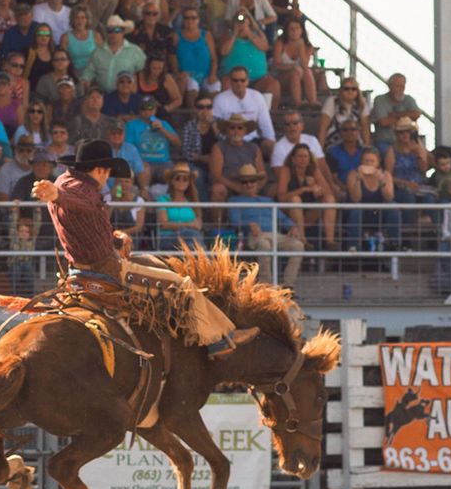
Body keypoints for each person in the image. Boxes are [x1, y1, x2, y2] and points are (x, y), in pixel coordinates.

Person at [32, 139, 258, 358]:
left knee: (158, 263)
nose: (109, 177)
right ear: (100, 170)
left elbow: (76, 206)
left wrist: (113, 238)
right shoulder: (83, 190)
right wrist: (58, 196)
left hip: (79, 269)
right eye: (108, 171)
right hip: (107, 271)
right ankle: (219, 340)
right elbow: (81, 200)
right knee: (182, 286)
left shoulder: (63, 179)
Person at [228, 163, 303, 286]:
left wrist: (292, 227)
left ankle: (288, 285)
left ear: (257, 183)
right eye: (244, 182)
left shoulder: (267, 201)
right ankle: (266, 285)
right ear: (240, 184)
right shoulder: (235, 201)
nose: (249, 184)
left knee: (298, 245)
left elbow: (282, 218)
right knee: (264, 244)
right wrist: (248, 224)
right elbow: (234, 221)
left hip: (275, 235)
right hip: (254, 236)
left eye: (252, 181)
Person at [277, 142, 336, 249]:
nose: (303, 159)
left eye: (305, 156)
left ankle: (330, 242)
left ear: (309, 159)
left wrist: (316, 187)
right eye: (300, 156)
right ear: (293, 159)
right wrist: (304, 189)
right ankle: (303, 240)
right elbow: (281, 197)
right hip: (290, 212)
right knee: (295, 199)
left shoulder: (314, 170)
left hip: (309, 213)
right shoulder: (286, 170)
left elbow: (329, 193)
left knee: (330, 199)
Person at [384, 116, 434, 243]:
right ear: (397, 134)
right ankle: (407, 236)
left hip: (420, 186)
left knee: (430, 200)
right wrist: (405, 183)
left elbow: (424, 169)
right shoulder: (392, 150)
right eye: (401, 132)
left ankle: (431, 237)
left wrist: (419, 153)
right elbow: (388, 175)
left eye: (408, 131)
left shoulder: (419, 147)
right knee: (408, 199)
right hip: (401, 187)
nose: (405, 134)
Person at [343, 147, 400, 253]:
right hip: (360, 214)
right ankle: (353, 246)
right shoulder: (353, 174)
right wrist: (359, 180)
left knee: (393, 207)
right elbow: (355, 199)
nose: (369, 163)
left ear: (378, 163)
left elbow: (389, 197)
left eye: (372, 161)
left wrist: (382, 181)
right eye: (366, 161)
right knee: (356, 209)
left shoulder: (385, 174)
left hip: (378, 214)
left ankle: (394, 243)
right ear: (361, 162)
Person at [211, 66, 275, 156]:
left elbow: (266, 125)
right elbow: (216, 127)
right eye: (235, 80)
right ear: (230, 81)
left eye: (242, 80)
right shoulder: (220, 99)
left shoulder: (257, 96)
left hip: (252, 140)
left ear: (247, 81)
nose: (239, 83)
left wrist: (271, 141)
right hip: (229, 140)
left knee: (271, 146)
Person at [81, 14, 145, 93]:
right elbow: (90, 71)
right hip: (103, 96)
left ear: (123, 32)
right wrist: (85, 80)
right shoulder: (97, 52)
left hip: (125, 96)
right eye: (110, 30)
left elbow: (144, 71)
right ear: (107, 33)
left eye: (117, 30)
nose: (113, 33)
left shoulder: (135, 51)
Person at [155, 161, 203, 250]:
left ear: (189, 183)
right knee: (192, 235)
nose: (181, 182)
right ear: (172, 181)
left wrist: (188, 226)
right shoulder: (163, 200)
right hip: (168, 237)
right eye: (178, 179)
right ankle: (205, 260)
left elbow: (198, 225)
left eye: (185, 179)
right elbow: (163, 224)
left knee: (190, 243)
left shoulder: (192, 202)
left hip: (190, 238)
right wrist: (188, 225)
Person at [370, 73, 422, 154]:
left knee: (423, 154)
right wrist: (406, 118)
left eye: (403, 86)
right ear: (389, 86)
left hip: (408, 141)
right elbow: (384, 122)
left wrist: (396, 115)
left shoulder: (409, 99)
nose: (400, 89)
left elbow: (416, 114)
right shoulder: (380, 100)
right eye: (397, 86)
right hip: (386, 142)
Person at [318, 76, 371, 149]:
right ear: (341, 90)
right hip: (333, 144)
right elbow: (323, 128)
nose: (350, 91)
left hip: (356, 145)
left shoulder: (362, 104)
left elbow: (365, 129)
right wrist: (320, 150)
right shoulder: (332, 102)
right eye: (346, 89)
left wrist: (367, 147)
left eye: (353, 89)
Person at [272, 18, 315, 107]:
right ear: (286, 31)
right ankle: (297, 103)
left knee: (307, 71)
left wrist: (301, 48)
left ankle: (312, 102)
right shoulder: (280, 43)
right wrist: (292, 67)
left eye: (297, 28)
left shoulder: (308, 46)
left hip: (301, 76)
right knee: (295, 73)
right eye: (291, 29)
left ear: (302, 30)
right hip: (282, 77)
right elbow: (277, 65)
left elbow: (305, 66)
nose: (294, 31)